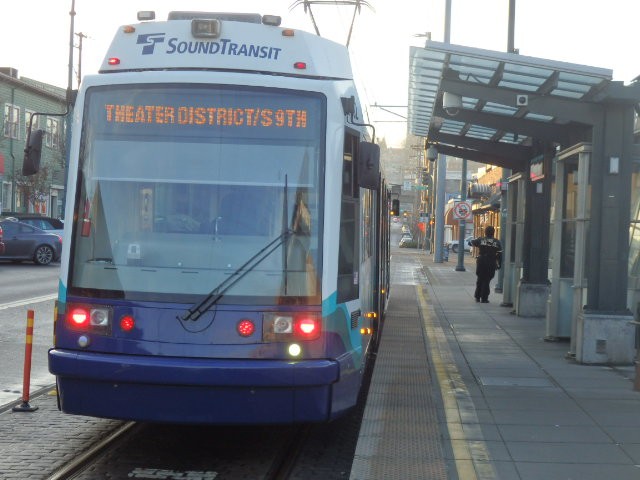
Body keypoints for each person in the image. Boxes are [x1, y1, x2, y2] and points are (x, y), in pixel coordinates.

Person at [469, 225, 502, 303]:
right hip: (491, 262)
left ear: (485, 232)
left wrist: (472, 242)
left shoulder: (481, 240)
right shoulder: (497, 242)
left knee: (480, 278)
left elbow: (471, 243)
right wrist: (499, 264)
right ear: (493, 233)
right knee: (487, 280)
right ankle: (484, 298)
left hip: (481, 261)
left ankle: (477, 296)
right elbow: (500, 255)